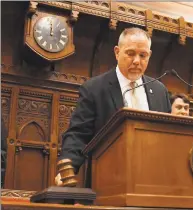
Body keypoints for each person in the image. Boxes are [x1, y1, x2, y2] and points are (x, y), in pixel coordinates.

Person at [55, 27, 171, 186]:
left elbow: (168, 137)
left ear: (149, 56)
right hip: (108, 180)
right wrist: (69, 167)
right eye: (130, 53)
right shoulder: (95, 88)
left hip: (151, 182)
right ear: (117, 52)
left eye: (142, 55)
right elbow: (78, 133)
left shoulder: (159, 90)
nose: (137, 60)